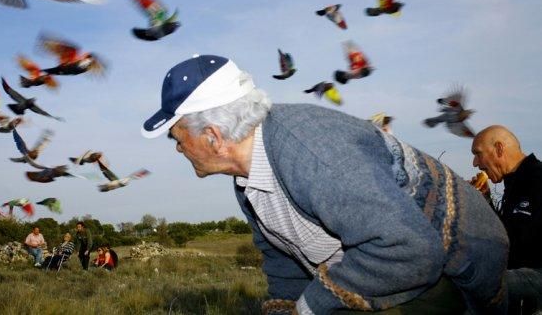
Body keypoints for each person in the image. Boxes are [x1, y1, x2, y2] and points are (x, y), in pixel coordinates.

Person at [141, 54, 509, 314]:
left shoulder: (311, 153)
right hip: (400, 267)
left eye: (177, 136)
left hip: (456, 260)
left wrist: (312, 305)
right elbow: (280, 255)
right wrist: (284, 309)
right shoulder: (246, 180)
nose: (177, 149)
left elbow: (412, 251)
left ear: (212, 136)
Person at [472, 125, 542, 313]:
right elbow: (505, 233)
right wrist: (485, 200)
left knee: (474, 284)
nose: (474, 163)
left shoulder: (538, 179)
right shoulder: (513, 185)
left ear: (499, 149)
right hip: (517, 273)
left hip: (536, 275)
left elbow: (515, 243)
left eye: (478, 154)